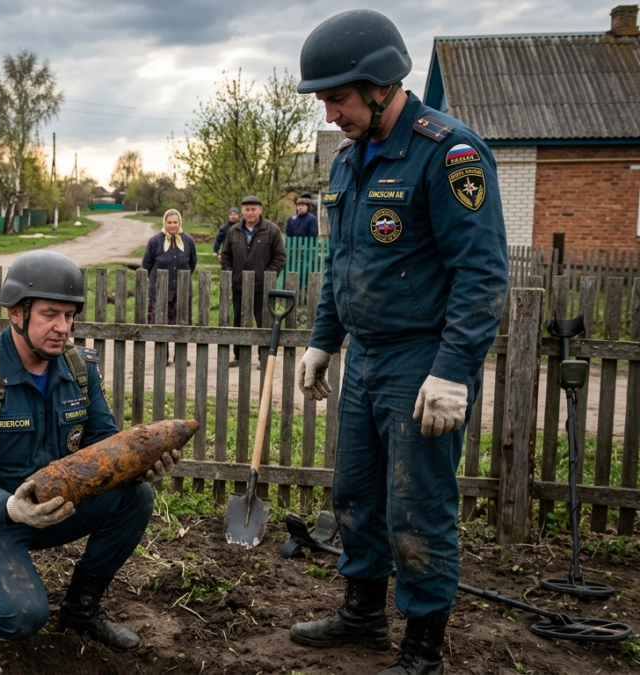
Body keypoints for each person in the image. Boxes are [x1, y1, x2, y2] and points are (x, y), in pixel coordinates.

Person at [291, 10, 508, 675]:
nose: (331, 114)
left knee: (417, 506)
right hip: (365, 356)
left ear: (381, 84)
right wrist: (323, 341)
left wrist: (453, 369)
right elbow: (343, 263)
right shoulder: (348, 161)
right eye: (324, 101)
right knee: (355, 494)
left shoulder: (449, 153)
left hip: (423, 360)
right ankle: (362, 615)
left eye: (339, 99)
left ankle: (422, 651)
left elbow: (481, 273)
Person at [0, 250, 180, 651]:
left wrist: (139, 466)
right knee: (21, 618)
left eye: (68, 315)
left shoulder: (79, 370)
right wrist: (11, 507)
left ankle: (81, 608)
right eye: (50, 314)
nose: (62, 328)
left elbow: (104, 444)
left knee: (135, 497)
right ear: (16, 313)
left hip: (52, 509)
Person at [219, 195, 286, 366]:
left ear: (260, 210)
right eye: (247, 209)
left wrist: (267, 275)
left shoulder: (272, 230)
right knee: (239, 321)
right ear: (242, 211)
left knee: (263, 323)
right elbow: (225, 256)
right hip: (239, 286)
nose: (250, 213)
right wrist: (231, 274)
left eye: (253, 209)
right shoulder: (234, 231)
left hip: (262, 288)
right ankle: (239, 356)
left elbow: (280, 257)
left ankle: (264, 358)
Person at [141, 208, 197, 325]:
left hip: (182, 293)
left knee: (181, 328)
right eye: (169, 222)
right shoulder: (155, 241)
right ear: (164, 223)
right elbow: (146, 265)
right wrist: (157, 280)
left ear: (180, 222)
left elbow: (192, 264)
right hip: (159, 293)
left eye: (175, 222)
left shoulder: (188, 241)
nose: (172, 225)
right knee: (158, 327)